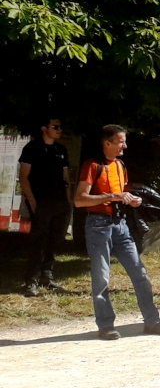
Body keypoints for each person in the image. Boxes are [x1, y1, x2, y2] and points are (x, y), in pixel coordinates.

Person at [74, 125, 160, 340]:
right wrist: (111, 196)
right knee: (101, 278)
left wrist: (132, 200)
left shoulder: (120, 165)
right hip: (98, 226)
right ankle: (105, 326)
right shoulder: (92, 165)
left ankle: (152, 321)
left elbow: (124, 192)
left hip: (121, 225)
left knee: (140, 274)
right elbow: (79, 199)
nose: (125, 146)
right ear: (107, 143)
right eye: (121, 141)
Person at [19, 116, 72, 297]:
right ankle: (31, 280)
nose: (59, 130)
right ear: (44, 128)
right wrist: (32, 201)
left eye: (60, 126)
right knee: (38, 240)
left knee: (54, 239)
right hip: (41, 201)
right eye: (55, 126)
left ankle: (46, 277)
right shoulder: (32, 148)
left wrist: (68, 202)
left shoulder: (61, 150)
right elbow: (24, 177)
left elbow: (66, 178)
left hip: (60, 202)